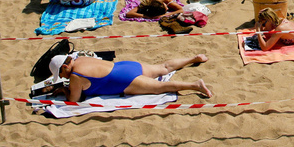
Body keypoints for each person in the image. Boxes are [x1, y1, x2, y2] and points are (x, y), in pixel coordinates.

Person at [49, 51, 212, 101]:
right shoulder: (80, 58)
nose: (64, 78)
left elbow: (73, 101)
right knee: (163, 67)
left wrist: (65, 90)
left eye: (62, 74)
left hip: (123, 80)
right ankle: (192, 59)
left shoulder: (75, 77)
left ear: (64, 67)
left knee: (160, 88)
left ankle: (194, 85)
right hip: (126, 66)